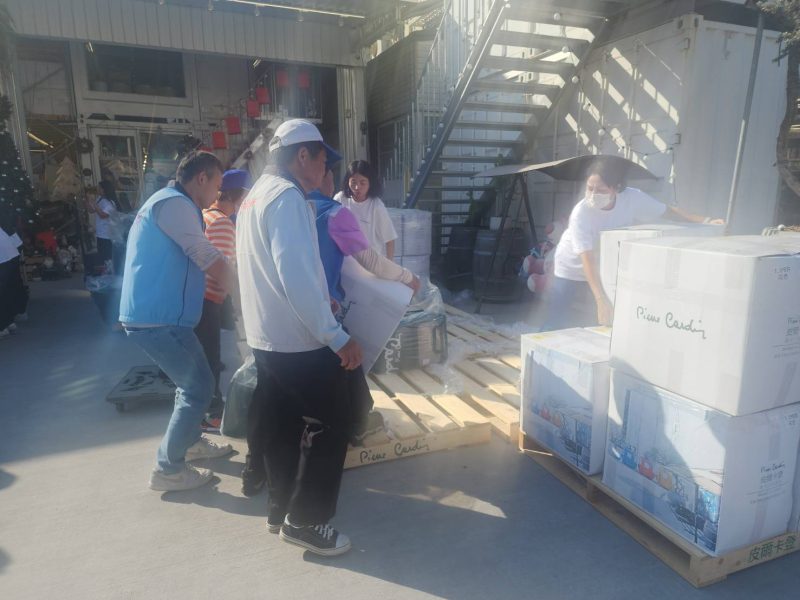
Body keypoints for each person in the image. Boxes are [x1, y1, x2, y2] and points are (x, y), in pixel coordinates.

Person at [236, 118, 361, 556]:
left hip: (266, 336)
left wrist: (321, 301)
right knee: (337, 420)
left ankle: (280, 510)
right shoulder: (287, 198)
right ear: (302, 155)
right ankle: (306, 520)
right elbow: (295, 274)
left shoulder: (255, 197)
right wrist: (336, 335)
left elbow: (273, 272)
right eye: (323, 159)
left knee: (282, 425)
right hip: (298, 341)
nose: (326, 169)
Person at [119, 151, 236, 492]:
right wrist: (246, 294)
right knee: (198, 387)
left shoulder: (170, 202)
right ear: (201, 178)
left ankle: (191, 442)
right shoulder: (175, 204)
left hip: (163, 316)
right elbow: (204, 253)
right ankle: (168, 469)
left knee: (193, 385)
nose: (218, 193)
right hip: (158, 319)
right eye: (217, 184)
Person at [543, 157, 723, 330]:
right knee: (557, 319)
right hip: (571, 266)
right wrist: (600, 299)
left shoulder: (632, 199)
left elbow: (666, 211)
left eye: (601, 190)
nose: (593, 195)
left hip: (602, 268)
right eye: (590, 188)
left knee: (600, 321)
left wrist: (704, 220)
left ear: (616, 188)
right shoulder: (581, 213)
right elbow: (586, 258)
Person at [194, 169, 251, 432]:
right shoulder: (222, 223)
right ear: (237, 196)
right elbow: (222, 270)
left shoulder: (206, 215)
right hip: (208, 300)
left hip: (198, 299)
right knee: (210, 359)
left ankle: (206, 408)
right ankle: (211, 413)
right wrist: (242, 302)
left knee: (204, 358)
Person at [333, 160, 397, 259]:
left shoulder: (376, 206)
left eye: (362, 183)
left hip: (370, 264)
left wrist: (389, 264)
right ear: (347, 181)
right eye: (353, 182)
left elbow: (389, 239)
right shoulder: (340, 199)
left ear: (370, 183)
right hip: (346, 262)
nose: (357, 187)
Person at [92, 181, 120, 270]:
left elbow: (103, 215)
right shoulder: (99, 199)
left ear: (104, 190)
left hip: (107, 234)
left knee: (108, 257)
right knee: (102, 256)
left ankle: (110, 272)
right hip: (100, 233)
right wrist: (87, 200)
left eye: (99, 188)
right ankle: (105, 271)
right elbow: (91, 210)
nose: (97, 189)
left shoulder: (109, 203)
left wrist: (95, 205)